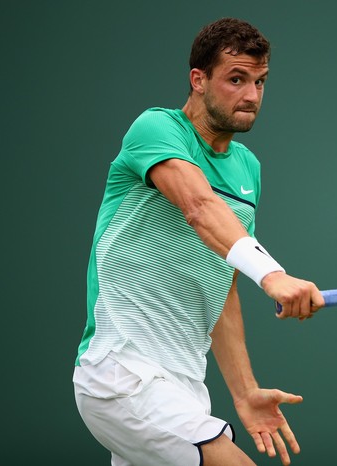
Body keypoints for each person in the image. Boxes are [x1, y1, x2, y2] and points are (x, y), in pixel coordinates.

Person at [73, 17, 324, 466]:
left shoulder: (248, 168)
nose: (251, 96)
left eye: (260, 81)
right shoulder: (156, 128)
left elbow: (220, 281)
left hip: (186, 389)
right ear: (198, 80)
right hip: (123, 373)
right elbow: (199, 208)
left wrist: (245, 392)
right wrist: (274, 276)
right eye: (236, 79)